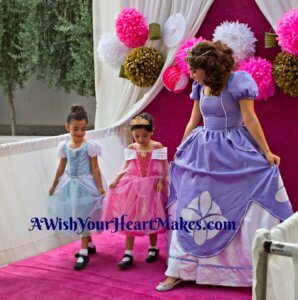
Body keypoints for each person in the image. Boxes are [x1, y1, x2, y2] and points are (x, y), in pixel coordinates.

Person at [156, 41, 293, 291]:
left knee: (234, 204)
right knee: (192, 205)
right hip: (201, 151)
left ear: (208, 67)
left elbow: (250, 119)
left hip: (233, 150)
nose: (192, 74)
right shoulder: (199, 85)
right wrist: (182, 147)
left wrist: (266, 152)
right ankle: (179, 268)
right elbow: (193, 120)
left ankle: (247, 272)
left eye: (195, 69)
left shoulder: (237, 82)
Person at [104, 113, 168, 269]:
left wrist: (160, 181)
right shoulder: (132, 147)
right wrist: (116, 179)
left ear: (152, 131)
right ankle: (128, 252)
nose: (140, 139)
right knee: (129, 218)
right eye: (136, 136)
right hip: (133, 185)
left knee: (151, 216)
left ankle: (153, 248)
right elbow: (126, 166)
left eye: (144, 135)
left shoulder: (157, 146)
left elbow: (165, 165)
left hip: (152, 186)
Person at [48, 105, 106, 271]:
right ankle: (90, 244)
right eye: (75, 129)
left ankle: (83, 252)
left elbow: (95, 168)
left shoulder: (90, 146)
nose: (79, 133)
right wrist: (54, 186)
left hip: (86, 185)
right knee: (77, 215)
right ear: (67, 127)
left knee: (84, 216)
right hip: (70, 184)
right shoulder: (64, 146)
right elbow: (61, 168)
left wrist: (100, 187)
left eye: (83, 129)